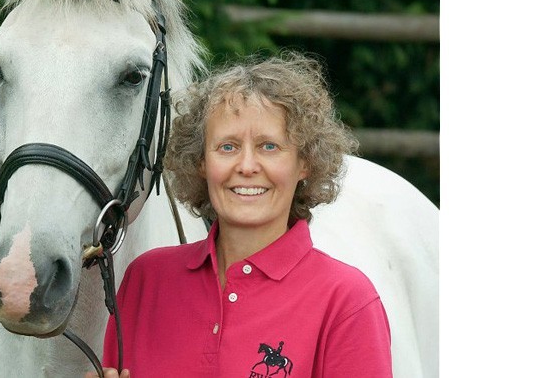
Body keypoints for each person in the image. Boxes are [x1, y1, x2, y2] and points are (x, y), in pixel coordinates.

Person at [85, 51, 392, 378]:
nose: (246, 166)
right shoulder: (146, 280)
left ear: (304, 162)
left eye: (269, 146)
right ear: (201, 162)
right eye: (227, 147)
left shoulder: (347, 301)